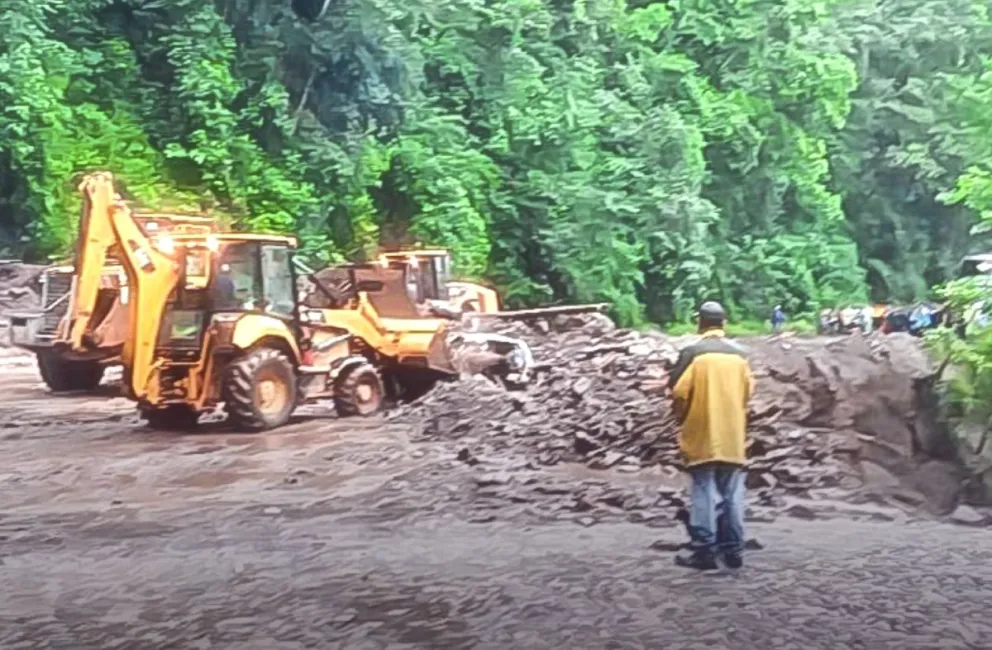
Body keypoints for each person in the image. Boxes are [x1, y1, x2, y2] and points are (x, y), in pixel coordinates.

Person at [667, 301, 754, 570]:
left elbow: (679, 392)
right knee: (732, 493)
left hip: (702, 433)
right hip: (731, 435)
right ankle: (734, 551)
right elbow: (748, 391)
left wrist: (682, 417)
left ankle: (704, 551)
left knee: (704, 490)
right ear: (723, 323)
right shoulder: (739, 356)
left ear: (700, 324)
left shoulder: (693, 354)